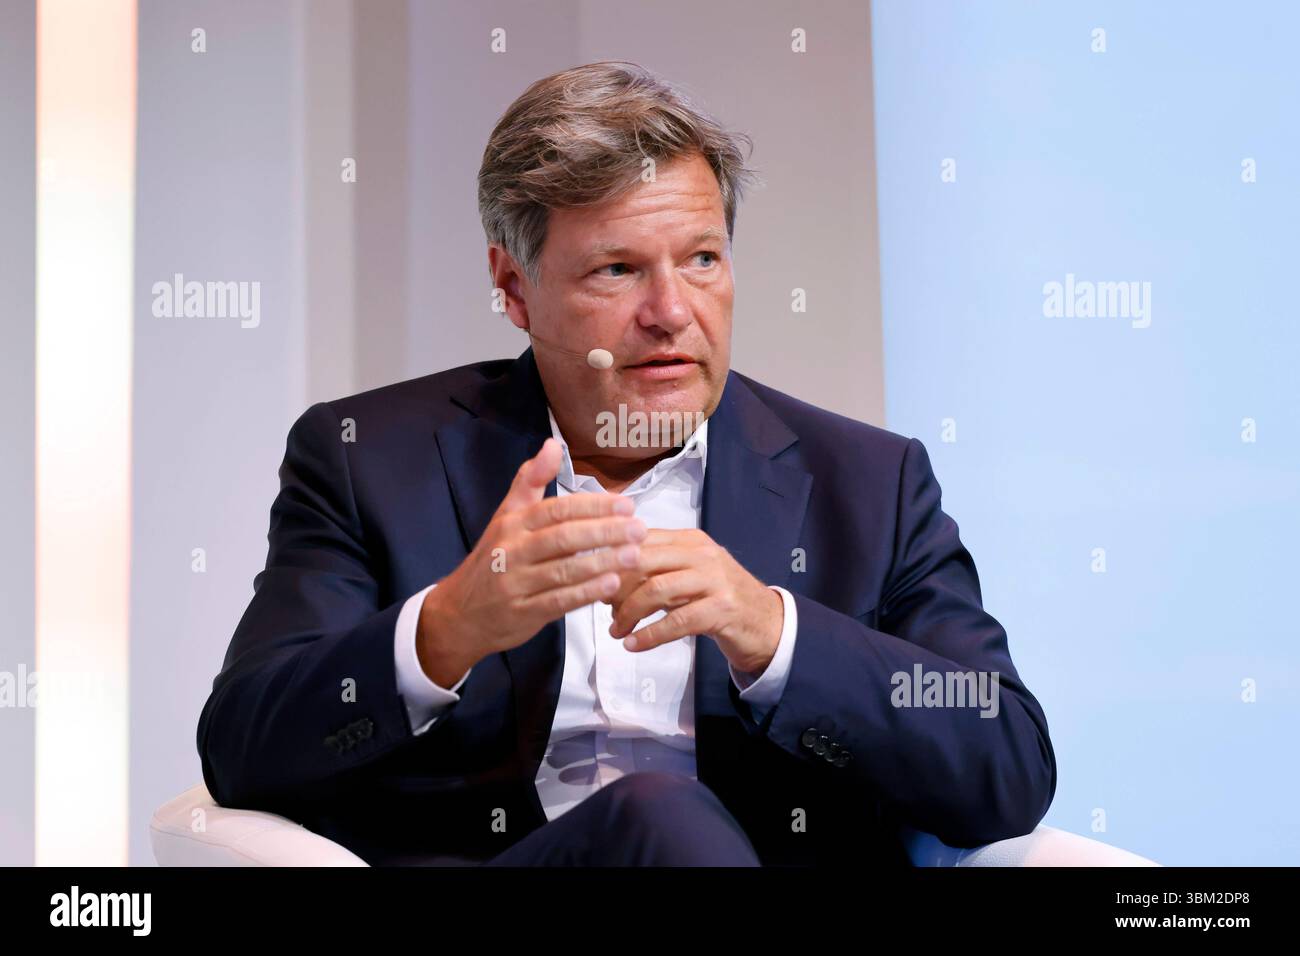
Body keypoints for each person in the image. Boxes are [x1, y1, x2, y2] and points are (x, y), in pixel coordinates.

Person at [197, 61, 1055, 866]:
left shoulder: (868, 483)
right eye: (618, 270)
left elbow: (1006, 763)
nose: (672, 312)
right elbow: (243, 752)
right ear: (514, 287)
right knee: (656, 815)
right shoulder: (369, 461)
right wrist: (446, 629)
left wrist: (773, 634)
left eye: (702, 260)